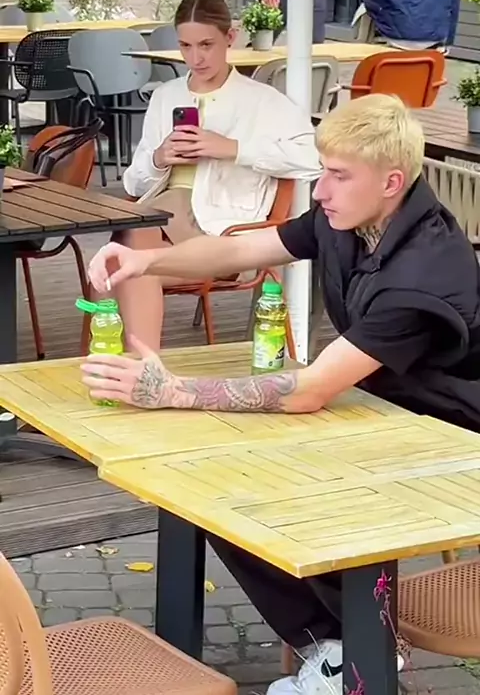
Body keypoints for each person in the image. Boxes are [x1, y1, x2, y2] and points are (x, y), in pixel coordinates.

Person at [84, 93, 480, 695]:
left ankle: (357, 655)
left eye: (339, 175)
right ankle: (339, 647)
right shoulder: (352, 217)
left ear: (391, 182)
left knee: (260, 491)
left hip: (451, 443)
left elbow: (311, 389)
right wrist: (148, 263)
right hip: (379, 413)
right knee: (209, 483)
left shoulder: (423, 275)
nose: (321, 190)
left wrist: (175, 390)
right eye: (323, 171)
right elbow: (243, 248)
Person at [104, 0, 320, 352]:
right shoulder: (166, 96)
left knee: (118, 262)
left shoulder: (262, 100)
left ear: (230, 38)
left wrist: (233, 149)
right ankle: (140, 366)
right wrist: (159, 158)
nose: (196, 58)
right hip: (163, 215)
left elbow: (310, 159)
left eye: (206, 44)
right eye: (185, 46)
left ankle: (132, 366)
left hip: (222, 226)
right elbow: (135, 183)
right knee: (124, 253)